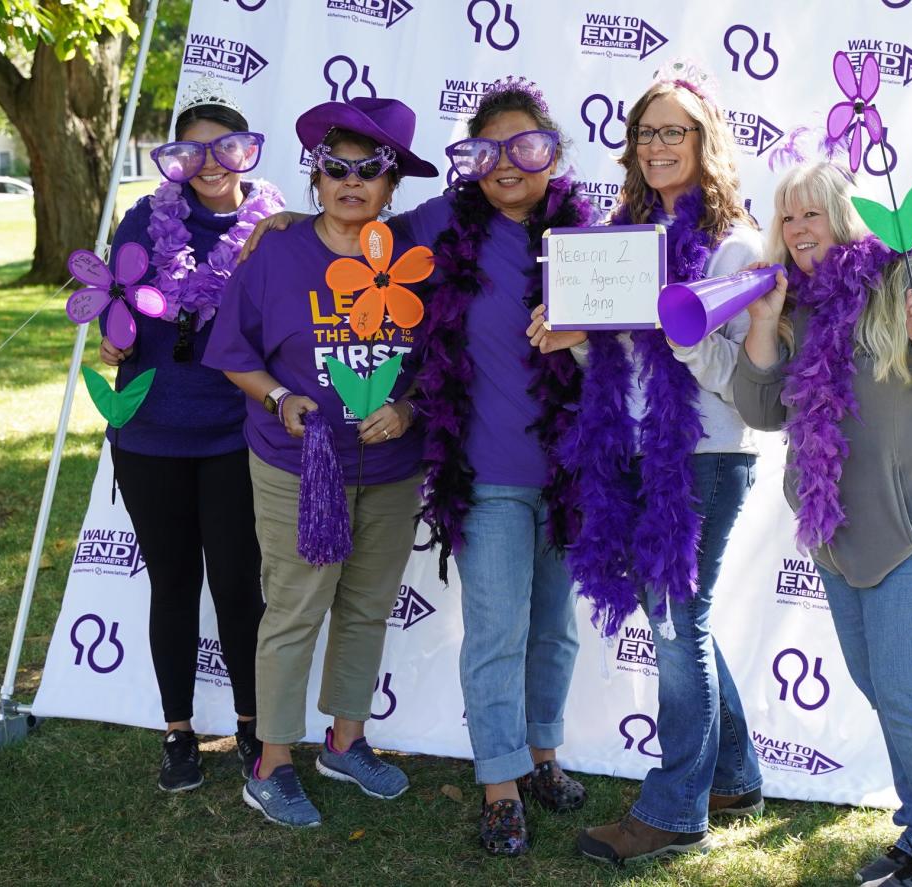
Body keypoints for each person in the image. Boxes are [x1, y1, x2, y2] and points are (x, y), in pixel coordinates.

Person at [732, 162, 912, 887]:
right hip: (845, 532)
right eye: (787, 218)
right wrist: (764, 329)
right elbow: (763, 411)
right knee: (885, 686)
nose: (799, 231)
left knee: (910, 688)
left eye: (812, 215)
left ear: (844, 214)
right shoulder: (796, 304)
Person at [528, 62, 766, 865]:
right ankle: (732, 774)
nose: (658, 144)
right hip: (631, 451)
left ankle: (674, 809)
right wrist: (575, 332)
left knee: (677, 627)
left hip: (700, 459)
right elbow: (616, 355)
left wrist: (682, 329)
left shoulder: (734, 246)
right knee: (682, 625)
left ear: (706, 142)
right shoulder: (620, 240)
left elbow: (740, 372)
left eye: (675, 130)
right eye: (646, 132)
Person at [202, 97, 437, 828]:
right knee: (298, 609)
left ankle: (346, 738)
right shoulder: (275, 251)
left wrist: (408, 409)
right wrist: (279, 399)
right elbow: (232, 352)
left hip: (390, 468)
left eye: (370, 171)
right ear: (315, 176)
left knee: (366, 607)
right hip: (296, 466)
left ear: (393, 185)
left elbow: (443, 358)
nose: (351, 182)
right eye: (335, 167)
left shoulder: (416, 256)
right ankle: (270, 763)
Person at [402, 76, 596, 857]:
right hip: (484, 475)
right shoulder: (441, 223)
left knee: (556, 631)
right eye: (492, 150)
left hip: (569, 472)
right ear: (474, 160)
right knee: (494, 632)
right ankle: (500, 785)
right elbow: (351, 238)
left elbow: (624, 353)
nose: (510, 163)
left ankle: (543, 755)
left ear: (552, 155)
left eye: (528, 147)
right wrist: (281, 222)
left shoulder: (586, 238)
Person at [99, 74, 282, 792]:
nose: (210, 163)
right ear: (175, 159)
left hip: (236, 433)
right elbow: (112, 308)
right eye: (193, 151)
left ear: (247, 153)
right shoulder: (143, 220)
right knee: (173, 582)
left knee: (239, 584)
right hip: (149, 431)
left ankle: (249, 723)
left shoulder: (273, 230)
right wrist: (109, 345)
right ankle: (178, 731)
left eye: (226, 147)